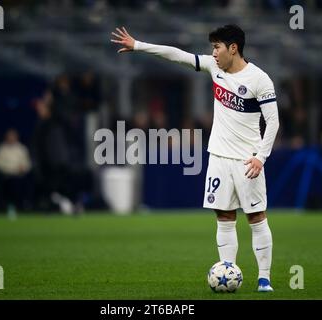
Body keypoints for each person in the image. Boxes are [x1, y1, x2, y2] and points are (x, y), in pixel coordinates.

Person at [111, 25, 280, 292]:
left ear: (233, 48)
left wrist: (261, 157)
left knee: (257, 218)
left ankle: (264, 279)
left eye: (217, 47)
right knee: (224, 217)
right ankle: (227, 271)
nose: (213, 53)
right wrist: (139, 45)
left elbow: (273, 122)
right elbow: (177, 55)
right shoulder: (215, 69)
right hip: (218, 158)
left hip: (248, 161)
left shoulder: (259, 79)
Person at [0, 129, 32, 212]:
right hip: (6, 177)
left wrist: (23, 168)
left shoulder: (22, 149)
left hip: (19, 177)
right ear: (6, 137)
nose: (11, 138)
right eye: (9, 136)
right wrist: (11, 169)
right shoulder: (2, 149)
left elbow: (27, 164)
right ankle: (7, 208)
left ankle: (21, 207)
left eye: (13, 136)